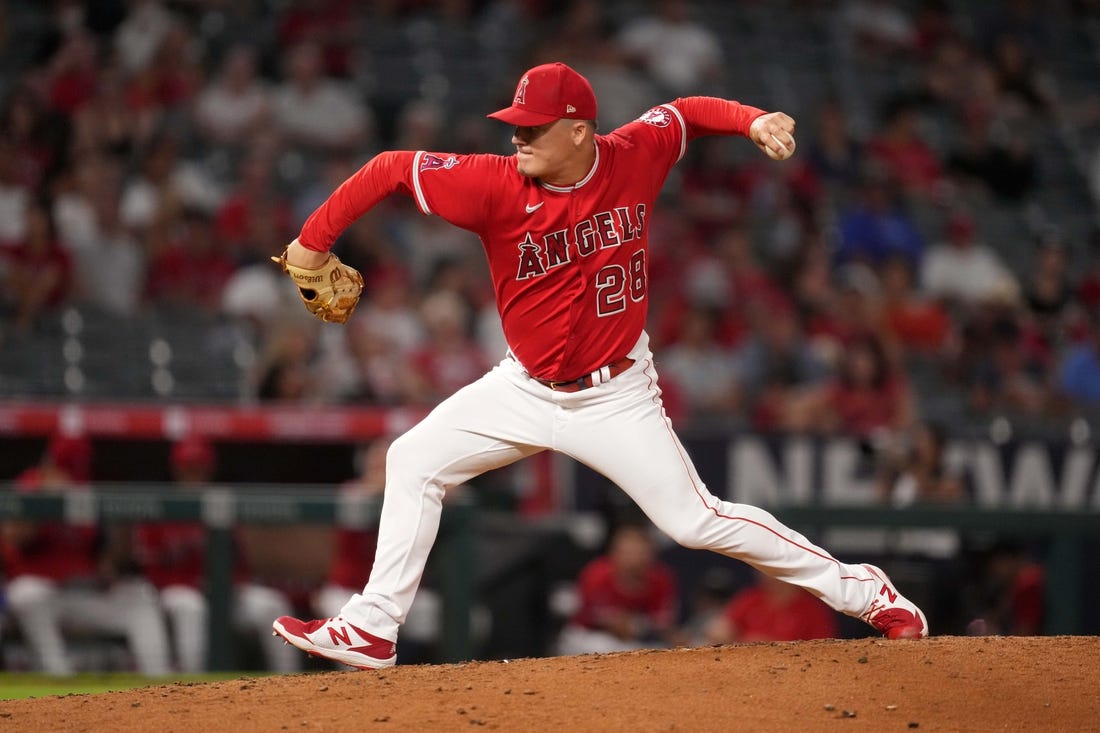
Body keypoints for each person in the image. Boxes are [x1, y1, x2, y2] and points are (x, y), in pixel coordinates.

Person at [271, 61, 928, 670]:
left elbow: (686, 109)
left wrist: (749, 118)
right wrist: (310, 242)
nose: (518, 139)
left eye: (533, 128)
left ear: (581, 130)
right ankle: (375, 623)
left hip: (615, 394)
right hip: (522, 385)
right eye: (515, 126)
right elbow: (389, 165)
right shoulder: (492, 183)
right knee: (412, 460)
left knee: (693, 520)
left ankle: (865, 591)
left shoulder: (632, 154)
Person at [2, 433, 172, 676]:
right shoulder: (29, 485)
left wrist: (119, 545)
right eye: (69, 468)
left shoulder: (87, 490)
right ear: (50, 464)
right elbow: (13, 538)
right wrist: (44, 501)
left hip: (84, 593)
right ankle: (57, 686)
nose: (74, 478)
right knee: (27, 594)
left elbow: (107, 562)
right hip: (45, 596)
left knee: (140, 595)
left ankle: (165, 690)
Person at [133, 436, 300, 673]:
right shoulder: (162, 508)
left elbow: (241, 564)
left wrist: (227, 588)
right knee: (190, 607)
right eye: (188, 469)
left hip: (223, 593)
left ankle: (291, 686)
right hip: (178, 591)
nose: (194, 475)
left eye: (199, 468)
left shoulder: (222, 505)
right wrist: (194, 584)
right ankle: (193, 689)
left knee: (273, 605)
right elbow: (150, 571)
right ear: (176, 469)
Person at [556, 523, 680, 655]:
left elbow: (662, 621)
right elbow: (591, 615)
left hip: (637, 639)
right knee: (603, 646)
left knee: (660, 651)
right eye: (628, 552)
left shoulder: (660, 578)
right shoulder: (597, 574)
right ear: (615, 552)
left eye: (640, 552)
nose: (634, 558)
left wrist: (636, 625)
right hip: (589, 635)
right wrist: (620, 623)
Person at [706, 571, 838, 643]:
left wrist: (770, 645)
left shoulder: (813, 609)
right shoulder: (750, 598)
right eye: (762, 568)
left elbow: (822, 649)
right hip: (746, 668)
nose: (766, 574)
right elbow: (722, 630)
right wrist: (727, 634)